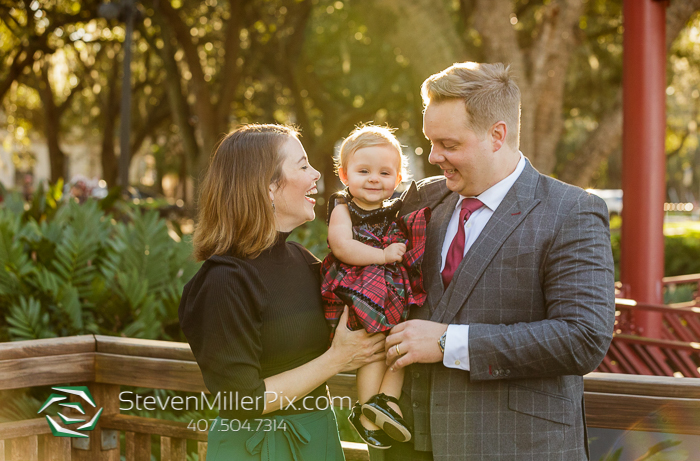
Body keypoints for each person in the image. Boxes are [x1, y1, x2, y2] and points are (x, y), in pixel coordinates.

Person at [384, 62, 616, 460]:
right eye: (430, 141)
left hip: (514, 447)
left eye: (449, 144)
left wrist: (446, 343)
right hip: (410, 447)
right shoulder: (422, 199)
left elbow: (583, 338)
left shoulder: (571, 210)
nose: (434, 155)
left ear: (497, 135)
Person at [179, 124, 386, 461]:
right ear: (268, 186)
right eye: (303, 165)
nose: (317, 173)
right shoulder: (224, 281)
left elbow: (365, 316)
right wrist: (337, 359)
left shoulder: (303, 261)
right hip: (256, 449)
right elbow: (243, 400)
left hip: (317, 440)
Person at [320, 126, 430, 450]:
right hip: (358, 287)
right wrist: (382, 255)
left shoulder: (395, 209)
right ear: (344, 175)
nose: (373, 178)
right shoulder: (344, 207)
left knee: (397, 343)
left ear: (397, 179)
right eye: (363, 171)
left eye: (384, 172)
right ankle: (368, 406)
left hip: (391, 291)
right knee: (371, 348)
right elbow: (341, 246)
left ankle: (386, 403)